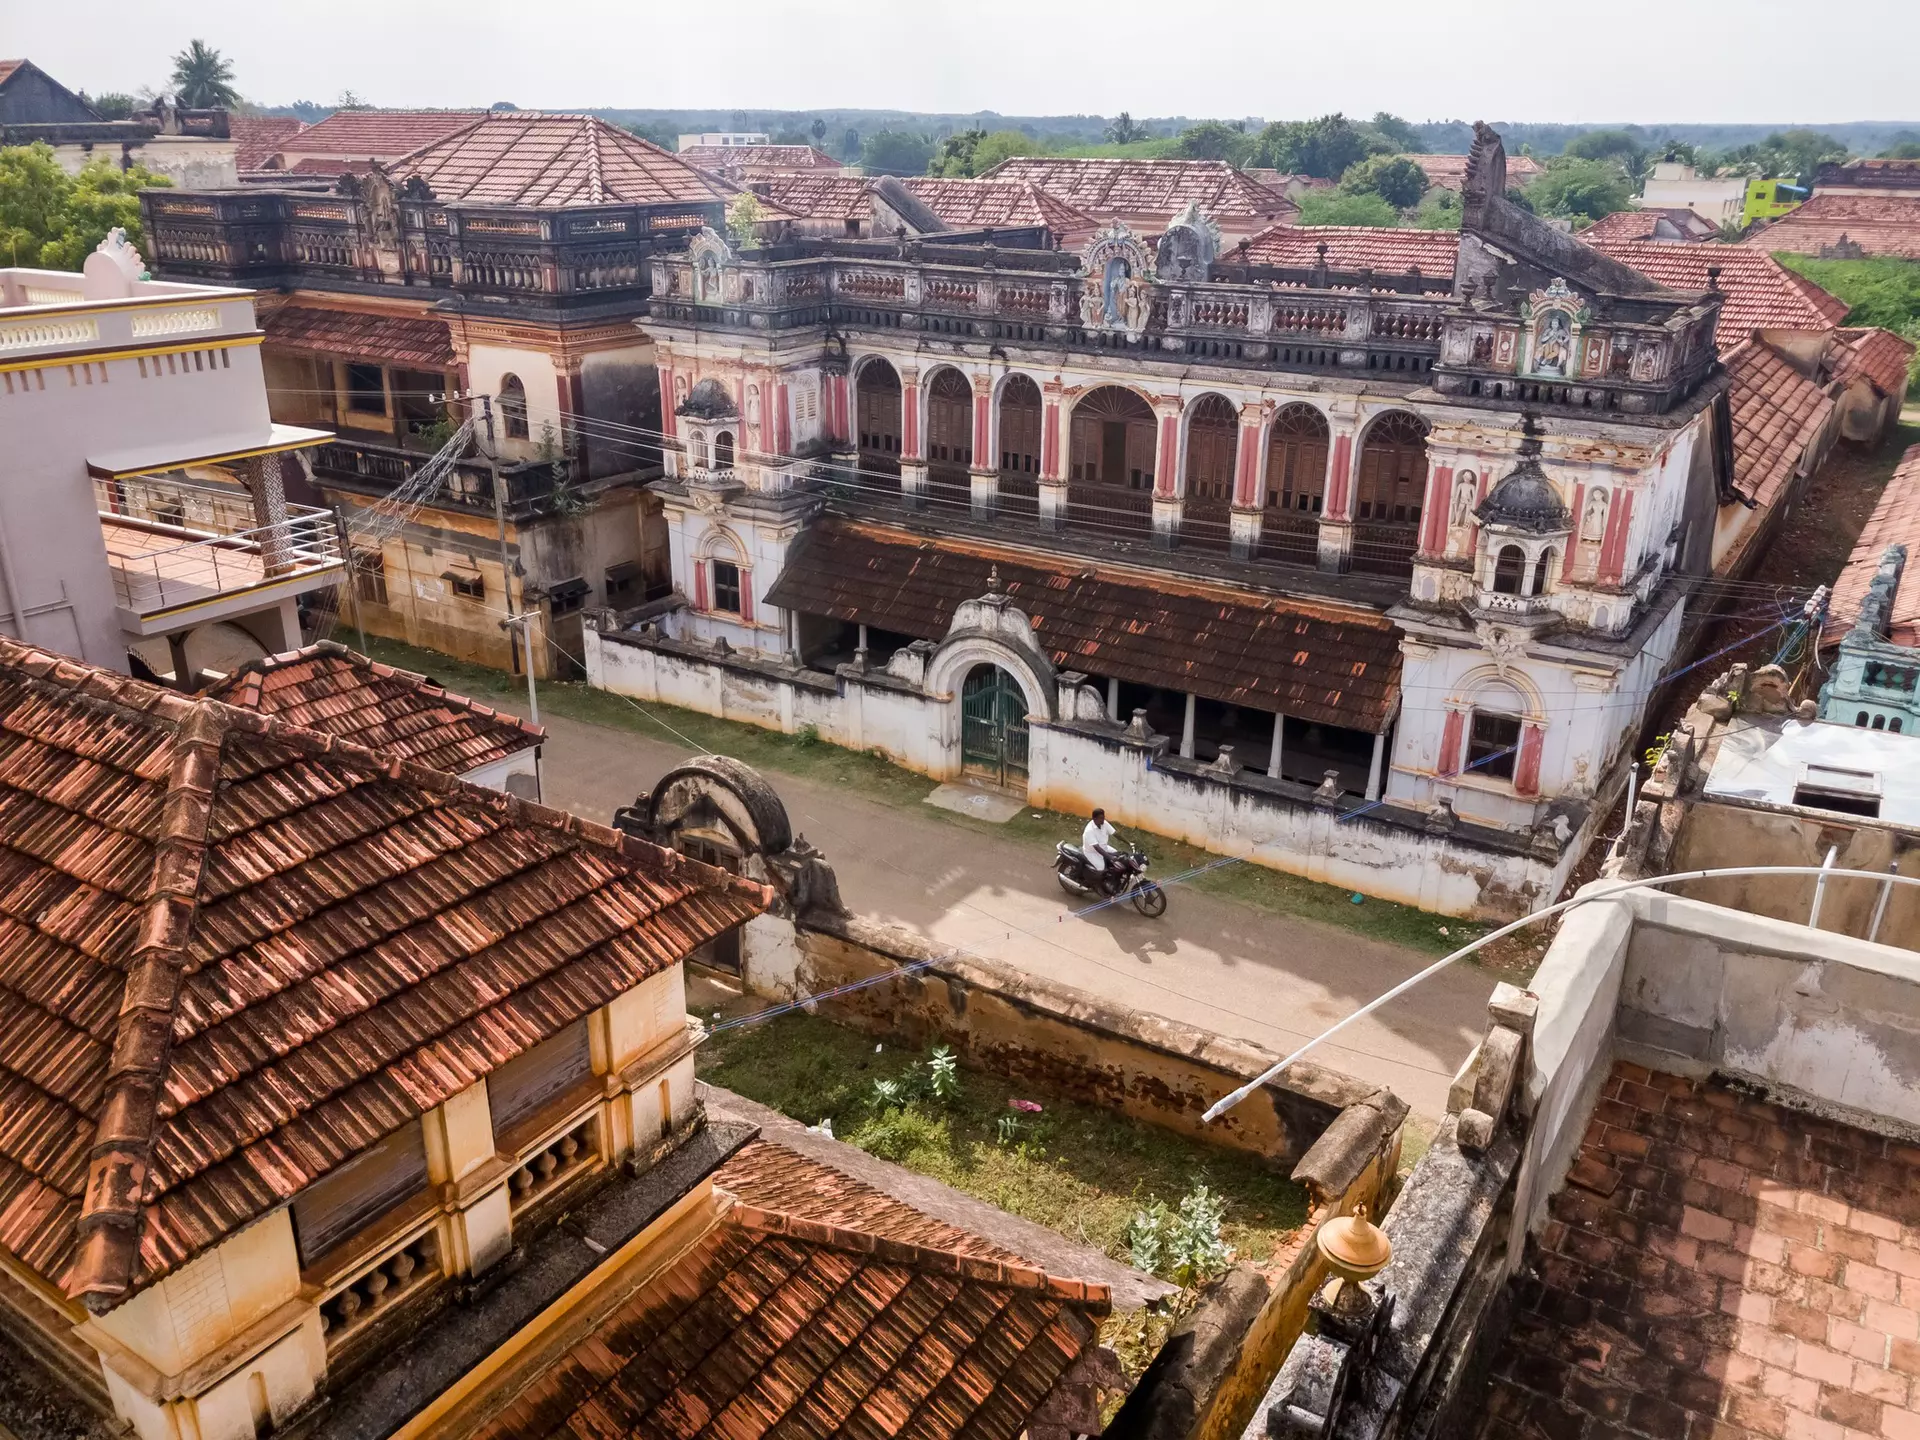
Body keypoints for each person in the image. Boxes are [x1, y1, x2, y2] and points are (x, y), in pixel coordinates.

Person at [1081, 808, 1118, 875]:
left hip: (1103, 847)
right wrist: (1110, 857)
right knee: (1101, 868)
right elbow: (1097, 848)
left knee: (1116, 853)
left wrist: (1128, 843)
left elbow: (1115, 833)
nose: (1103, 820)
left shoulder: (1104, 823)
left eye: (1103, 817)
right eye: (1101, 818)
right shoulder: (1089, 830)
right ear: (1094, 819)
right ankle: (1094, 882)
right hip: (1092, 852)